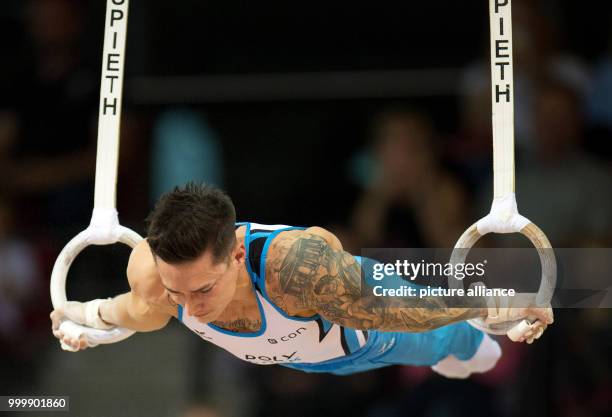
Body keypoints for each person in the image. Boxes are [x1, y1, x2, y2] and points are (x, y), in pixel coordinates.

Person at [50, 183, 553, 378]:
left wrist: (488, 306)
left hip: (371, 332)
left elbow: (392, 312)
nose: (193, 308)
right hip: (305, 360)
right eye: (179, 292)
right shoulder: (155, 278)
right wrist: (87, 317)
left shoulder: (296, 271)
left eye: (203, 289)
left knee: (474, 355)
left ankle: (468, 346)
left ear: (234, 256)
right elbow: (137, 312)